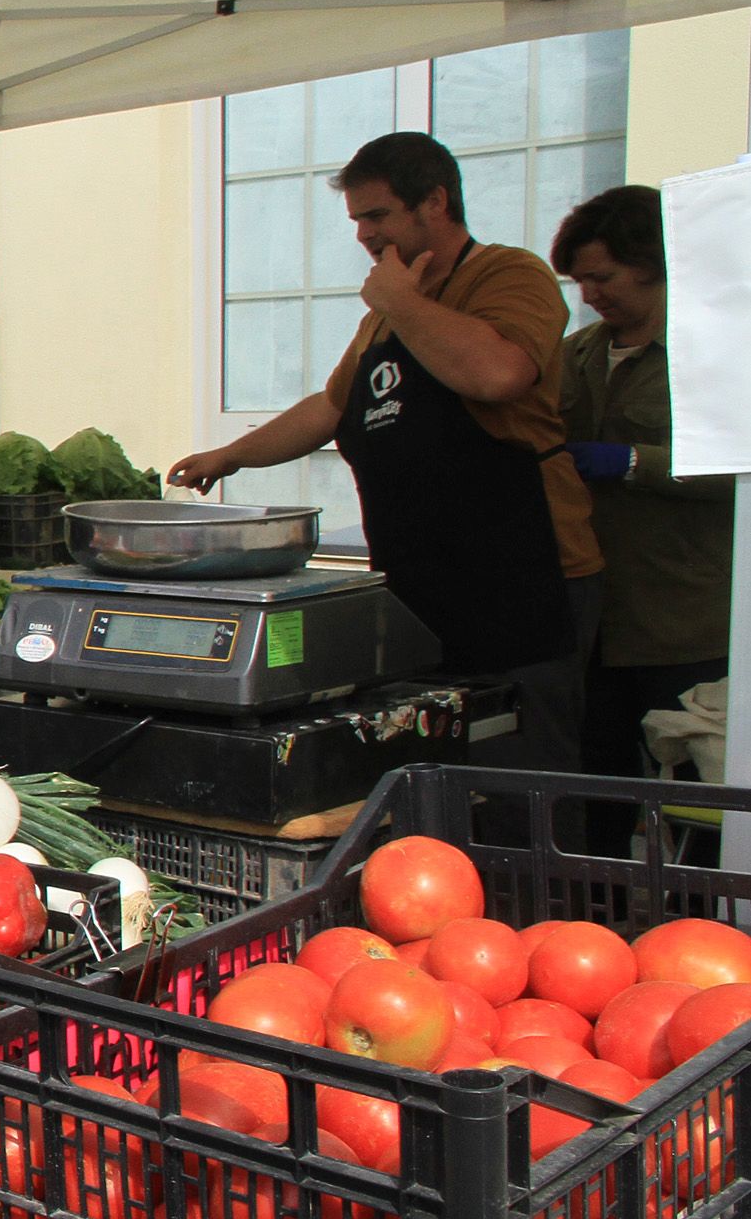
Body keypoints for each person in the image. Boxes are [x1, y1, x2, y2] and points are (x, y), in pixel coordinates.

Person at [170, 131, 598, 769]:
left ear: (435, 202)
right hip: (426, 582)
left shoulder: (507, 274)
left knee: (527, 770)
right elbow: (333, 406)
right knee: (442, 769)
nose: (364, 236)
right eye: (356, 220)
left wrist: (401, 299)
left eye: (376, 216)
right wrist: (230, 456)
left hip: (526, 577)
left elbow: (498, 375)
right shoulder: (384, 316)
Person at [555, 185, 732, 784]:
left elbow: (736, 474)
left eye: (603, 277)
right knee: (596, 784)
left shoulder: (713, 355)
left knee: (695, 794)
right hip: (593, 618)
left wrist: (633, 461)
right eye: (579, 281)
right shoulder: (574, 355)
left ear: (653, 262)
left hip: (686, 625)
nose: (590, 295)